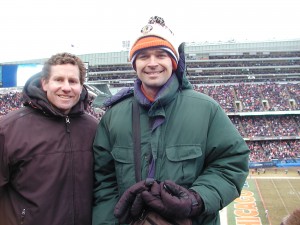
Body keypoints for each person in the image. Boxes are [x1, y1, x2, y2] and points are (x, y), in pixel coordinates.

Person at [93, 16, 250, 225]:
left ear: (173, 62)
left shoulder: (207, 109)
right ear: (134, 64)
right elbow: (103, 182)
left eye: (161, 55)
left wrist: (196, 200)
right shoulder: (113, 116)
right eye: (143, 56)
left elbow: (231, 164)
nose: (152, 63)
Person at [0, 52, 99, 225]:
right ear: (45, 83)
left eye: (73, 81)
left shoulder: (93, 127)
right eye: (59, 80)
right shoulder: (9, 129)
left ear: (81, 86)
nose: (66, 87)